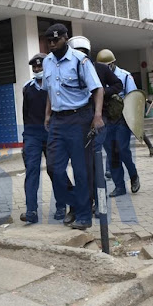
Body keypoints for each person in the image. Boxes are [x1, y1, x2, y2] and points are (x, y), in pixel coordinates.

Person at [43, 24, 104, 230]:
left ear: (65, 39)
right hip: (58, 121)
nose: (52, 44)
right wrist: (48, 114)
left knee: (81, 170)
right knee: (53, 168)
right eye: (49, 41)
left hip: (80, 118)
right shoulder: (47, 62)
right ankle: (76, 204)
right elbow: (50, 91)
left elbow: (97, 89)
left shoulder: (80, 60)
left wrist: (97, 116)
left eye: (56, 40)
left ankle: (84, 215)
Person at [67, 35, 122, 219]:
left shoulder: (100, 68)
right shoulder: (69, 70)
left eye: (83, 53)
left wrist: (102, 91)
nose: (80, 56)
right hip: (77, 123)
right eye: (77, 53)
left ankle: (100, 203)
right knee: (82, 165)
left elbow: (118, 84)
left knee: (95, 162)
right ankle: (86, 202)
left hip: (98, 121)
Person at [20, 54, 72, 224]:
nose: (37, 70)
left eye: (40, 67)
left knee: (55, 170)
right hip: (32, 134)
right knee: (32, 170)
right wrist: (25, 139)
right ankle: (31, 211)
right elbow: (25, 115)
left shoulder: (55, 86)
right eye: (34, 68)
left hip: (52, 132)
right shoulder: (27, 88)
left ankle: (62, 205)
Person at [96, 49, 140, 197]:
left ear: (113, 63)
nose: (105, 68)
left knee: (123, 150)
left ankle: (133, 175)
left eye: (108, 65)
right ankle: (119, 186)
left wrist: (134, 123)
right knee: (111, 153)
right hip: (106, 119)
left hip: (122, 119)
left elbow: (133, 99)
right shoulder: (96, 76)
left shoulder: (125, 76)